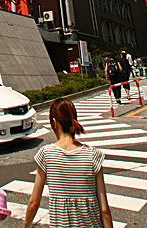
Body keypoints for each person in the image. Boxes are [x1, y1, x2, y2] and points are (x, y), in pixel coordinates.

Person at [24, 97, 112, 228]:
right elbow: (104, 210)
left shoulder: (46, 155)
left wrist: (26, 225)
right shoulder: (93, 156)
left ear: (54, 123)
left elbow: (34, 203)